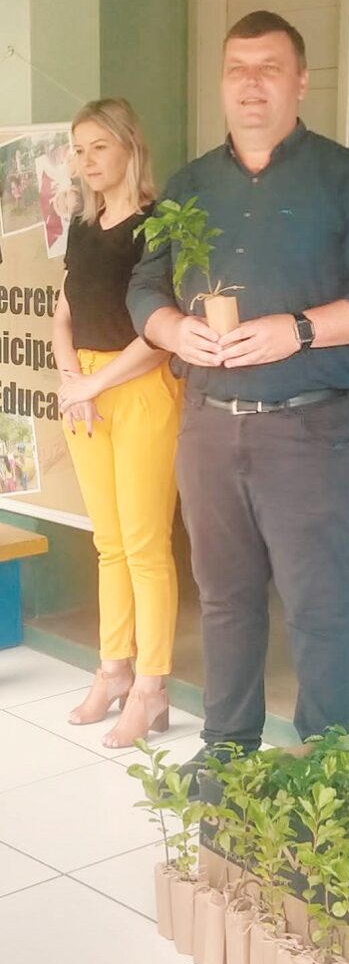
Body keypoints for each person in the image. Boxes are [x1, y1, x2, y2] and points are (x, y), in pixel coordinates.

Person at [127, 11, 349, 785]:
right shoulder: (189, 187)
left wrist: (298, 330)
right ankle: (228, 746)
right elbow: (145, 285)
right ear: (222, 82)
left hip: (308, 428)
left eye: (269, 68)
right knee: (224, 596)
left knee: (316, 600)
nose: (251, 83)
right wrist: (171, 329)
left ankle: (332, 760)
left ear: (300, 81)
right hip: (208, 425)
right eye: (237, 68)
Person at [52, 98, 180, 749]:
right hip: (87, 393)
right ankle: (113, 670)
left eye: (99, 146)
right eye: (79, 150)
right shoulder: (82, 228)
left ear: (130, 147)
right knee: (109, 543)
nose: (87, 161)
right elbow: (63, 314)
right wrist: (71, 379)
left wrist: (94, 384)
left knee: (145, 545)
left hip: (140, 388)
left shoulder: (158, 227)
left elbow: (159, 335)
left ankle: (152, 688)